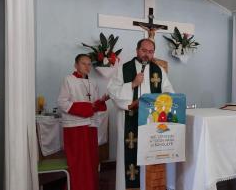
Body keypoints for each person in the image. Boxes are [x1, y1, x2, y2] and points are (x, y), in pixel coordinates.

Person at [108, 38, 174, 190]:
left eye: (150, 52)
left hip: (151, 122)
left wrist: (162, 103)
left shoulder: (159, 71)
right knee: (130, 156)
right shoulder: (124, 68)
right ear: (137, 50)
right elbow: (112, 91)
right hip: (129, 120)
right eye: (144, 50)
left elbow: (169, 92)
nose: (147, 54)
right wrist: (132, 84)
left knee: (148, 157)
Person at [57, 54, 108, 190]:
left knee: (91, 160)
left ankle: (91, 186)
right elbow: (62, 102)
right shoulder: (68, 80)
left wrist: (102, 100)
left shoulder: (93, 83)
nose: (87, 66)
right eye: (83, 63)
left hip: (90, 126)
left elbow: (94, 105)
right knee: (79, 161)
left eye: (89, 64)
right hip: (75, 127)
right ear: (76, 65)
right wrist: (87, 108)